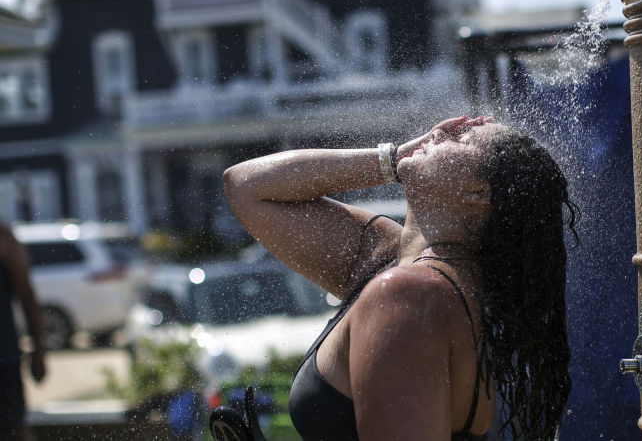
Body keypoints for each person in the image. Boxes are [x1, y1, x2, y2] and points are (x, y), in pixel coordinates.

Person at [223, 115, 576, 440]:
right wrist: (392, 159)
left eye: (463, 137)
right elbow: (245, 186)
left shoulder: (410, 294)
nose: (442, 129)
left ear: (478, 193)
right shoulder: (389, 260)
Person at [0, 222, 47, 441]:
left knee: (15, 431)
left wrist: (39, 351)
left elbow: (27, 296)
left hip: (3, 359)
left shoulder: (3, 237)